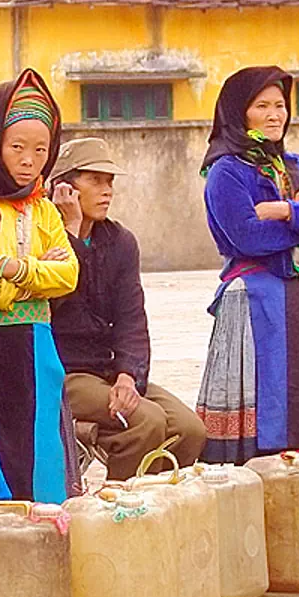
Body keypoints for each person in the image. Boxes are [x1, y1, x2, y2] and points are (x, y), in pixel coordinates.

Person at [196, 66, 299, 463]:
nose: (274, 115)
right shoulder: (226, 171)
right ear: (239, 113)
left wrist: (286, 209)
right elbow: (246, 237)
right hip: (253, 303)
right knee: (262, 406)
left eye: (280, 105)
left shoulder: (297, 167)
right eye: (262, 106)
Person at [48, 137, 206, 479]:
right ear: (64, 188)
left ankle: (155, 509)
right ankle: (120, 511)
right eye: (95, 180)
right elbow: (53, 302)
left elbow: (132, 318)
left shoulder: (120, 242)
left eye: (110, 182)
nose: (107, 191)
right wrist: (71, 232)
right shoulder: (44, 236)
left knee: (189, 429)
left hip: (110, 370)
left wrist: (127, 374)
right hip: (65, 372)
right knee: (146, 422)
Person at [0, 69, 79, 504]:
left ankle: (46, 523)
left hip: (36, 341)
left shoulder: (43, 210)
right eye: (17, 147)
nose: (29, 160)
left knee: (40, 440)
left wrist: (7, 267)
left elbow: (67, 275)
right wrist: (29, 281)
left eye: (41, 149)